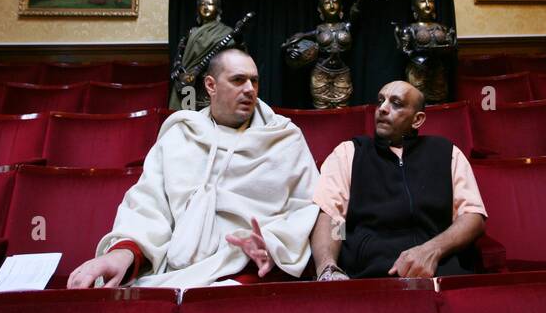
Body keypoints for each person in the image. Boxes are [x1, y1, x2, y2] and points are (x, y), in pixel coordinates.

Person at [67, 50, 320, 289]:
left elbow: (308, 208)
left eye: (254, 81)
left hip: (251, 271)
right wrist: (122, 254)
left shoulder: (284, 138)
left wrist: (273, 244)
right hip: (177, 272)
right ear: (211, 85)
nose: (249, 90)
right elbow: (149, 205)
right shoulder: (180, 135)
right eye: (238, 80)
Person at [309, 80, 487, 280]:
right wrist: (328, 266)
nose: (383, 109)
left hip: (439, 271)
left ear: (417, 120)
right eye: (380, 101)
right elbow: (334, 218)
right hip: (369, 275)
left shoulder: (446, 153)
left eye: (396, 103)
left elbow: (472, 218)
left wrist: (432, 250)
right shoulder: (350, 153)